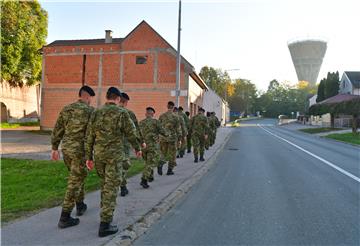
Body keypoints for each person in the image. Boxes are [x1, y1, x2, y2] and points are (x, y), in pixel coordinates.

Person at [85, 87, 142, 237]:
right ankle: (105, 224)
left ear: (107, 97)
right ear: (117, 98)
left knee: (105, 185)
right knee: (111, 188)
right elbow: (131, 132)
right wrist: (137, 148)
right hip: (114, 156)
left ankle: (104, 215)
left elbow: (89, 136)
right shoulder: (122, 113)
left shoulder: (96, 112)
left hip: (99, 156)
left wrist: (88, 157)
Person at [51, 85, 95, 229]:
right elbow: (91, 134)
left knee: (78, 176)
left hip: (67, 150)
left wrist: (54, 147)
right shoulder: (90, 111)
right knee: (75, 181)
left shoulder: (67, 109)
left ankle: (80, 204)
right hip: (79, 151)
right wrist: (91, 154)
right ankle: (65, 217)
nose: (90, 101)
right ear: (87, 96)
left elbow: (58, 129)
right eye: (90, 98)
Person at [118, 92, 143, 197]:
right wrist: (141, 142)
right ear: (126, 102)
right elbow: (135, 130)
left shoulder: (104, 112)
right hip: (123, 145)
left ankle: (117, 184)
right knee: (124, 165)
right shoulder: (128, 113)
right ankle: (122, 187)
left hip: (106, 146)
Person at [139, 107, 167, 188]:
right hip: (152, 146)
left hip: (143, 146)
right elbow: (163, 132)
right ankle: (144, 180)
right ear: (153, 114)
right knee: (150, 163)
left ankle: (150, 176)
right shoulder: (156, 122)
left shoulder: (141, 123)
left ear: (146, 114)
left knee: (147, 162)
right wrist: (168, 135)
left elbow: (137, 134)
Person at [159, 101, 182, 175]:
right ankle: (169, 170)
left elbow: (159, 127)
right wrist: (180, 139)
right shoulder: (176, 117)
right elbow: (178, 129)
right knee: (172, 154)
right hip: (172, 138)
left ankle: (160, 164)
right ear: (173, 107)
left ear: (167, 106)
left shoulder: (162, 116)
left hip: (163, 138)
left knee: (163, 153)